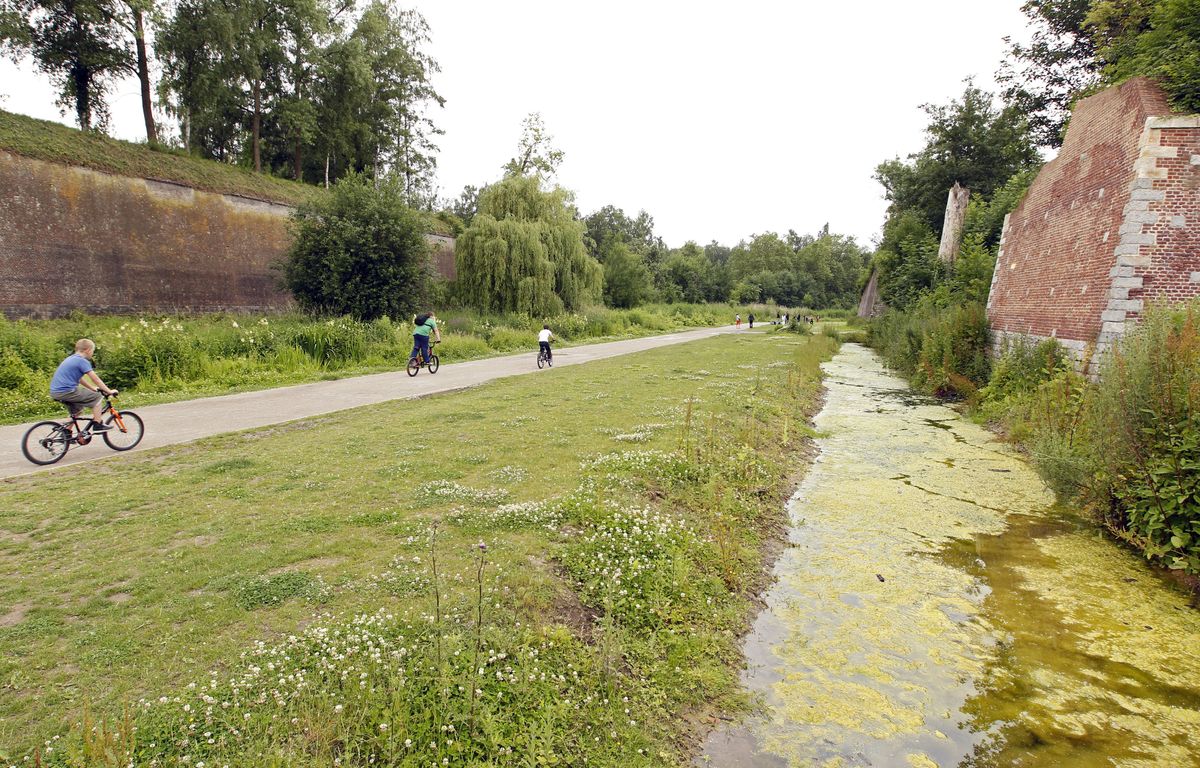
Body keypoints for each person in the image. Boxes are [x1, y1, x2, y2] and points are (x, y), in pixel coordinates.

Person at [49, 338, 117, 434]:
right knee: (97, 397)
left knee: (78, 409)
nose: (92, 354)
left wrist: (92, 388)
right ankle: (98, 424)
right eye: (92, 351)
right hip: (67, 391)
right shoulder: (82, 361)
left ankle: (66, 433)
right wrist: (108, 391)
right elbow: (95, 379)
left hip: (56, 392)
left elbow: (79, 378)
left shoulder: (71, 358)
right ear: (88, 350)